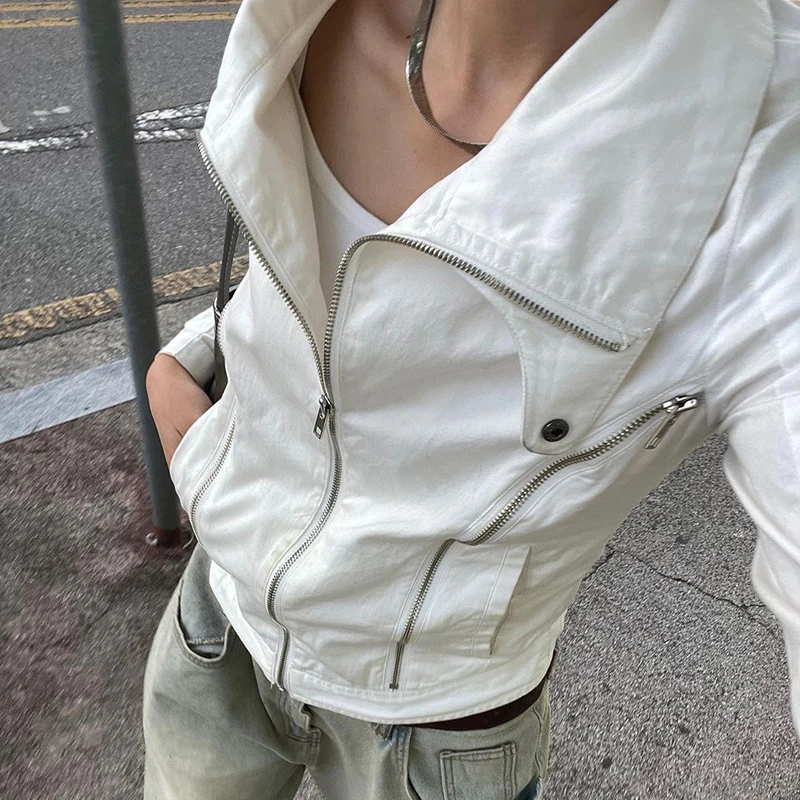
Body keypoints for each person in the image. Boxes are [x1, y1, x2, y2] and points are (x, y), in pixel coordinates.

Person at [142, 0, 800, 797]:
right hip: (217, 621)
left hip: (433, 732)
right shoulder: (307, 16)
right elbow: (320, 283)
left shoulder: (767, 167)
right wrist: (191, 371)